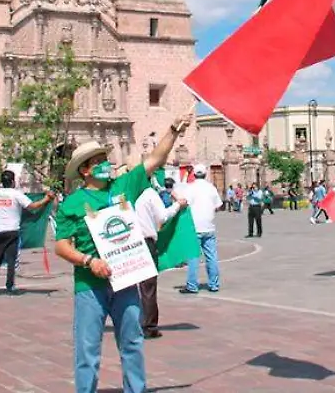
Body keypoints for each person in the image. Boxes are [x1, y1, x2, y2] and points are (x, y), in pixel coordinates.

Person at [52, 115, 189, 393]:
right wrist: (88, 261)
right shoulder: (73, 204)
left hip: (125, 280)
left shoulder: (124, 186)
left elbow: (155, 160)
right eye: (98, 161)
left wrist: (174, 130)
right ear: (85, 170)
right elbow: (61, 245)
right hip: (90, 285)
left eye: (105, 158)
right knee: (87, 349)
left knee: (132, 343)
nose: (106, 164)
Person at [0, 171, 55, 297]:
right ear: (13, 181)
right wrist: (46, 199)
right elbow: (33, 206)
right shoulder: (16, 194)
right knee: (11, 261)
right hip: (12, 232)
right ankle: (10, 288)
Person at [135, 175, 186, 339]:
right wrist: (178, 205)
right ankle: (149, 326)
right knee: (148, 286)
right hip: (146, 242)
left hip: (129, 243)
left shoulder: (127, 193)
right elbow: (162, 216)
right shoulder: (149, 194)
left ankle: (130, 322)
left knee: (129, 285)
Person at [176, 165, 225, 293]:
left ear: (194, 175)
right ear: (205, 174)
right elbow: (218, 205)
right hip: (209, 227)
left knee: (193, 257)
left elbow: (183, 203)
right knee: (212, 257)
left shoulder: (190, 188)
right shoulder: (211, 188)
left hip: (194, 227)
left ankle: (192, 285)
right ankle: (214, 284)